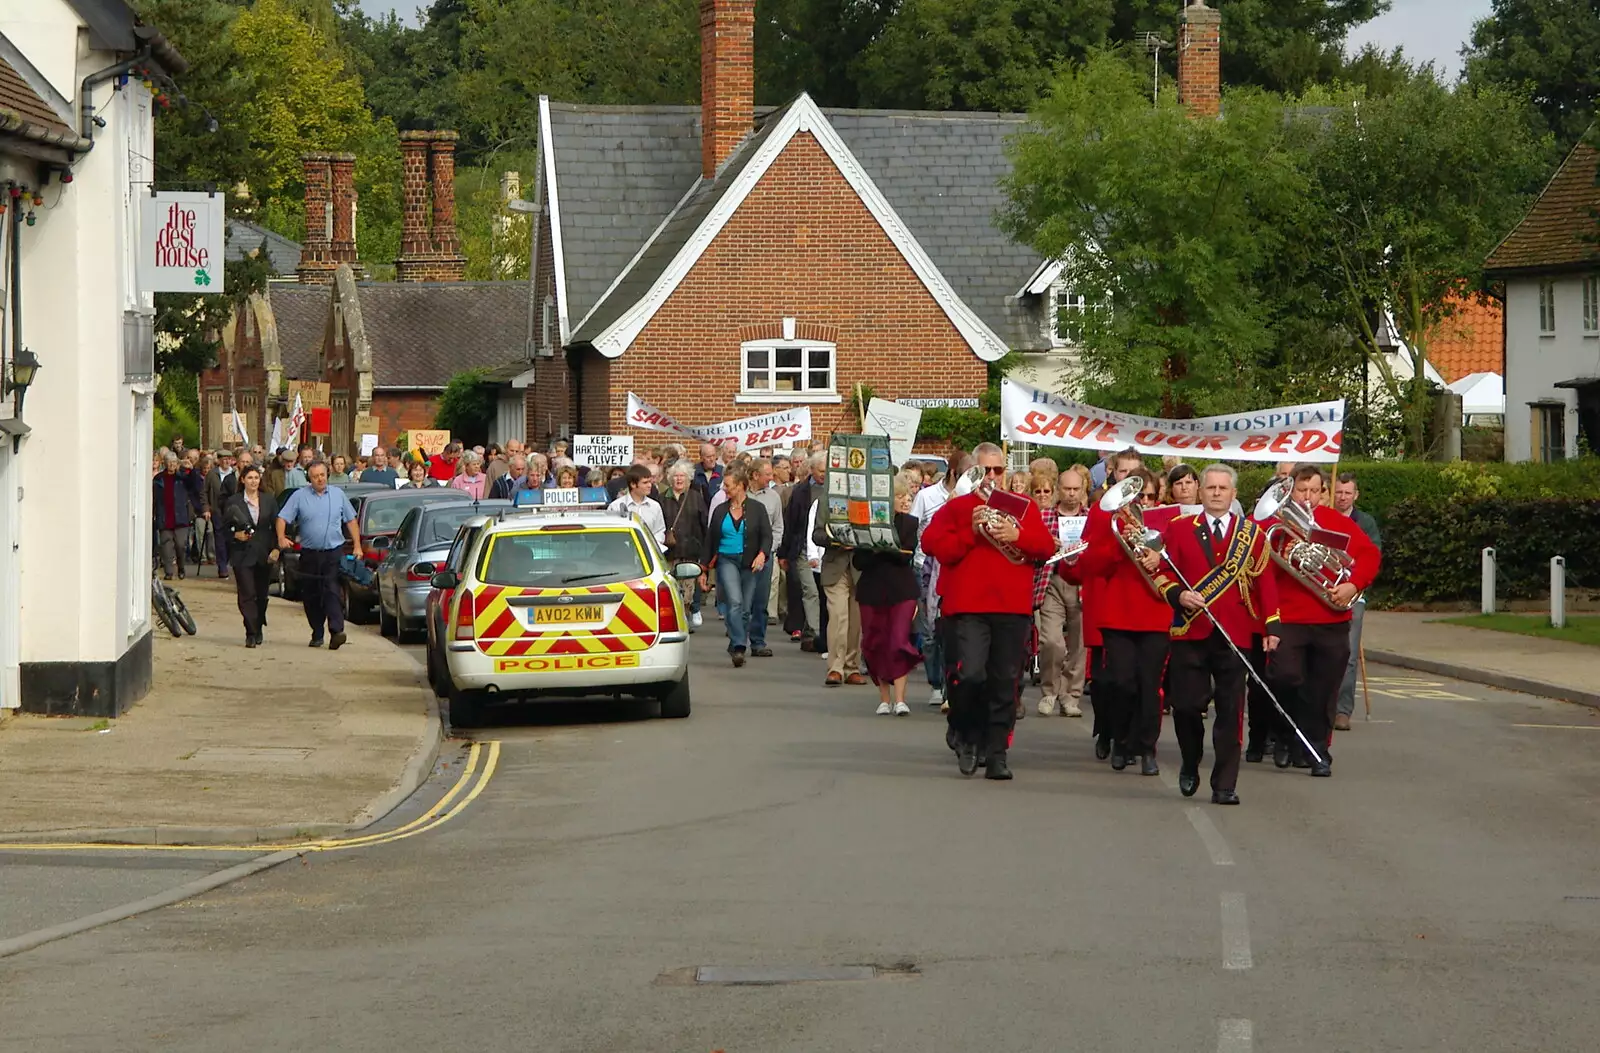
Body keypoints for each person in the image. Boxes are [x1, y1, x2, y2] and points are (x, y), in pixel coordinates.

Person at [922, 443, 1056, 779]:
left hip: (1012, 608)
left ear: (1006, 471)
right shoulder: (958, 507)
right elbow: (934, 546)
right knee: (969, 676)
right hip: (967, 607)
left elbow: (1045, 548)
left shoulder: (1024, 506)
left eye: (998, 470)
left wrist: (1018, 534)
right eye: (985, 471)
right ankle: (965, 734)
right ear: (973, 473)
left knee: (1004, 682)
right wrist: (970, 531)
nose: (993, 477)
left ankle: (996, 753)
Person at [1158, 465, 1280, 805]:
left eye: (1222, 488)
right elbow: (1163, 572)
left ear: (1233, 494)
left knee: (1230, 711)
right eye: (1210, 487)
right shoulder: (1179, 529)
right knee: (1185, 706)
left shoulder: (1251, 534)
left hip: (1234, 632)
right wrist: (1178, 595)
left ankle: (1225, 784)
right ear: (1200, 492)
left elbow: (1264, 581)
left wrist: (1272, 625)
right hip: (1190, 628)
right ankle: (1190, 758)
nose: (1215, 493)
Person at [1263, 465, 1381, 776]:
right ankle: (1285, 736)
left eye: (1315, 491)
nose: (1308, 497)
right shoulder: (1274, 525)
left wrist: (1353, 584)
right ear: (1290, 491)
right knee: (1284, 678)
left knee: (1325, 687)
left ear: (1323, 493)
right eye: (1302, 491)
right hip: (1289, 618)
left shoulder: (1336, 523)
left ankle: (1317, 749)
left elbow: (1370, 555)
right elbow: (1261, 572)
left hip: (1331, 617)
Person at [1077, 466, 1170, 776]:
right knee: (1122, 683)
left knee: (1149, 686)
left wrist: (1161, 557)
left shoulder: (1169, 520)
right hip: (1117, 612)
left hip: (1156, 612)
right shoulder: (1111, 521)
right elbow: (1090, 563)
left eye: (1150, 496)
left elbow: (1184, 564)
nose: (1143, 501)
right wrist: (1119, 545)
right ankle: (1119, 739)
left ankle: (1147, 748)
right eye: (1138, 495)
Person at [275, 461, 363, 650]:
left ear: (327, 475)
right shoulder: (299, 496)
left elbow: (351, 520)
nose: (320, 479)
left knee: (331, 590)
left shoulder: (338, 495)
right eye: (315, 476)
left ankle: (336, 631)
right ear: (309, 478)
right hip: (309, 554)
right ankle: (317, 632)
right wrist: (281, 537)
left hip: (333, 551)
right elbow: (282, 517)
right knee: (312, 595)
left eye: (322, 475)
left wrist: (357, 545)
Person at [857, 480, 923, 716]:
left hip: (902, 590)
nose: (905, 500)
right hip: (871, 590)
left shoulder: (909, 523)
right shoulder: (867, 523)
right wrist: (878, 549)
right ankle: (884, 698)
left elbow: (904, 555)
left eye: (907, 496)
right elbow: (860, 561)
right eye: (900, 496)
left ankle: (901, 699)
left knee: (897, 641)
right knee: (874, 643)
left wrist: (881, 549)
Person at [912, 450, 968, 708]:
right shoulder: (926, 496)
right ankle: (935, 682)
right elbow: (914, 528)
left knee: (954, 633)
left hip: (958, 568)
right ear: (954, 473)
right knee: (932, 632)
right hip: (927, 565)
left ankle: (951, 687)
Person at [700, 468, 773, 668]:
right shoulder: (720, 510)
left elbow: (767, 536)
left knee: (745, 609)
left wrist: (762, 554)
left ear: (741, 485)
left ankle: (735, 641)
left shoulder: (757, 508)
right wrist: (703, 569)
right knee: (734, 602)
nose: (725, 489)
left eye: (728, 486)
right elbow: (710, 541)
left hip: (750, 562)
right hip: (726, 560)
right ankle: (740, 646)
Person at [1332, 471, 1383, 730]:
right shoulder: (1323, 518)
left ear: (1356, 495)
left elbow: (1374, 556)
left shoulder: (1366, 522)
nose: (1342, 497)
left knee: (1349, 654)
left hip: (1354, 596)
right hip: (1323, 590)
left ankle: (1343, 711)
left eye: (1347, 493)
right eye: (1338, 492)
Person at [1037, 465, 1090, 717]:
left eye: (1075, 489)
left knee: (1079, 643)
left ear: (1083, 490)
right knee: (1051, 641)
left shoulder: (1091, 518)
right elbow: (1032, 550)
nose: (1071, 494)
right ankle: (1049, 690)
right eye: (1066, 488)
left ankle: (1070, 695)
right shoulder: (1044, 516)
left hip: (1082, 583)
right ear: (1058, 489)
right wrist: (1048, 545)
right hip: (1052, 581)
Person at [224, 464, 280, 647]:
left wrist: (276, 549)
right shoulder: (234, 501)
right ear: (242, 480)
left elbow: (277, 527)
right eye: (250, 478)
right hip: (242, 554)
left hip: (264, 553)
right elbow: (222, 529)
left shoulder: (269, 500)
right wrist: (235, 535)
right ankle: (250, 631)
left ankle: (258, 624)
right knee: (247, 593)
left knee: (261, 594)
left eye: (256, 478)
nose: (253, 481)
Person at [780, 452, 827, 646]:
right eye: (821, 471)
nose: (824, 475)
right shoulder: (800, 491)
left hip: (826, 550)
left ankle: (811, 630)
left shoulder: (836, 490)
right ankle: (816, 632)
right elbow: (790, 523)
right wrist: (784, 552)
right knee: (810, 590)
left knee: (823, 592)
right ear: (812, 470)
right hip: (803, 548)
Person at [658, 459, 709, 624]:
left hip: (690, 551)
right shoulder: (662, 499)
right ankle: (674, 619)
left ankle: (685, 618)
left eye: (682, 476)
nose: (679, 479)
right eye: (676, 476)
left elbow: (704, 525)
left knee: (687, 589)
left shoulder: (695, 498)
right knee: (671, 588)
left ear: (688, 479)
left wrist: (703, 552)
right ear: (670, 478)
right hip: (669, 553)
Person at [746, 458, 785, 656]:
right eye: (768, 474)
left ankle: (758, 641)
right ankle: (737, 640)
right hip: (743, 555)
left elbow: (778, 526)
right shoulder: (741, 494)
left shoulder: (773, 497)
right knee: (742, 601)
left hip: (765, 555)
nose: (772, 478)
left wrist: (770, 549)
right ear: (755, 475)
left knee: (761, 600)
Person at [153, 451, 199, 580]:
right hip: (165, 516)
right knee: (166, 546)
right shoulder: (158, 479)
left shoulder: (182, 477)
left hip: (180, 516)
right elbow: (154, 497)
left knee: (180, 545)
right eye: (169, 462)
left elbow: (194, 485)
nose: (171, 465)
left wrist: (191, 469)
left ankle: (181, 567)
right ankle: (168, 572)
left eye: (174, 462)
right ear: (165, 463)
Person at [608, 464, 667, 551]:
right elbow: (611, 534)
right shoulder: (615, 506)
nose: (650, 485)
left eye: (650, 482)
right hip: (621, 555)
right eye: (645, 482)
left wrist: (651, 546)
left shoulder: (655, 506)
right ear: (633, 484)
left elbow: (660, 531)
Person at [202, 450, 236, 578]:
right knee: (220, 538)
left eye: (229, 459)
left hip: (233, 512)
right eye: (224, 459)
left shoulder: (234, 474)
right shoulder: (212, 474)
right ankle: (222, 567)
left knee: (231, 539)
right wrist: (206, 508)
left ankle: (227, 560)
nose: (226, 461)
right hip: (217, 511)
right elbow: (204, 492)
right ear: (219, 460)